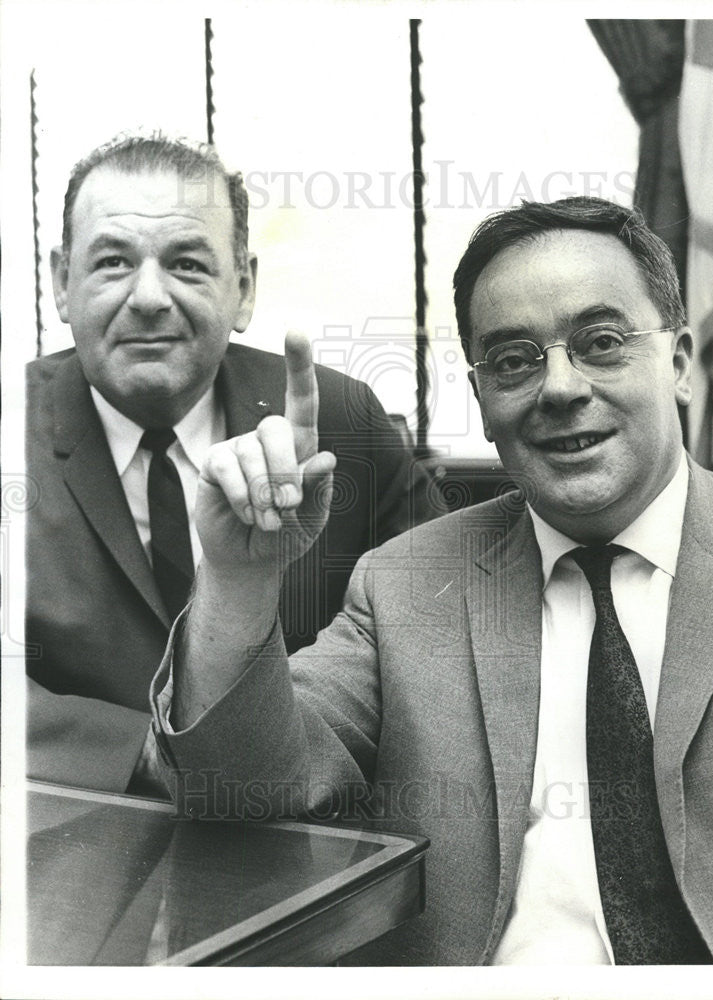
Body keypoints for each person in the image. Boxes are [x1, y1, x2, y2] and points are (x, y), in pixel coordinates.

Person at [151, 197, 713, 965]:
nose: (559, 387)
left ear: (676, 362)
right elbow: (231, 788)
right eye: (513, 360)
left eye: (601, 342)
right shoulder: (406, 585)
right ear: (479, 399)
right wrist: (238, 579)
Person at [26, 135, 444, 795]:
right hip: (73, 841)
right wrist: (154, 749)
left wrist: (275, 750)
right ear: (59, 282)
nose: (149, 297)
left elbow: (440, 618)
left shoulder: (340, 419)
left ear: (242, 288)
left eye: (187, 263)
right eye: (111, 261)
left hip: (303, 827)